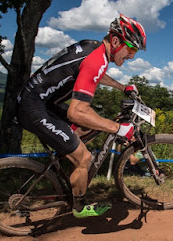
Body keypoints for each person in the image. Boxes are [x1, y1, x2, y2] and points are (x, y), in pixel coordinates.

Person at [17, 14, 147, 218]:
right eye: (131, 49)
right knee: (85, 157)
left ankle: (71, 169)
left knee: (91, 125)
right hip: (34, 108)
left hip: (41, 101)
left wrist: (122, 87)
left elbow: (93, 73)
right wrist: (117, 128)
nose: (132, 56)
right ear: (115, 41)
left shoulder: (94, 48)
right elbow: (76, 112)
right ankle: (79, 207)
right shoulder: (97, 59)